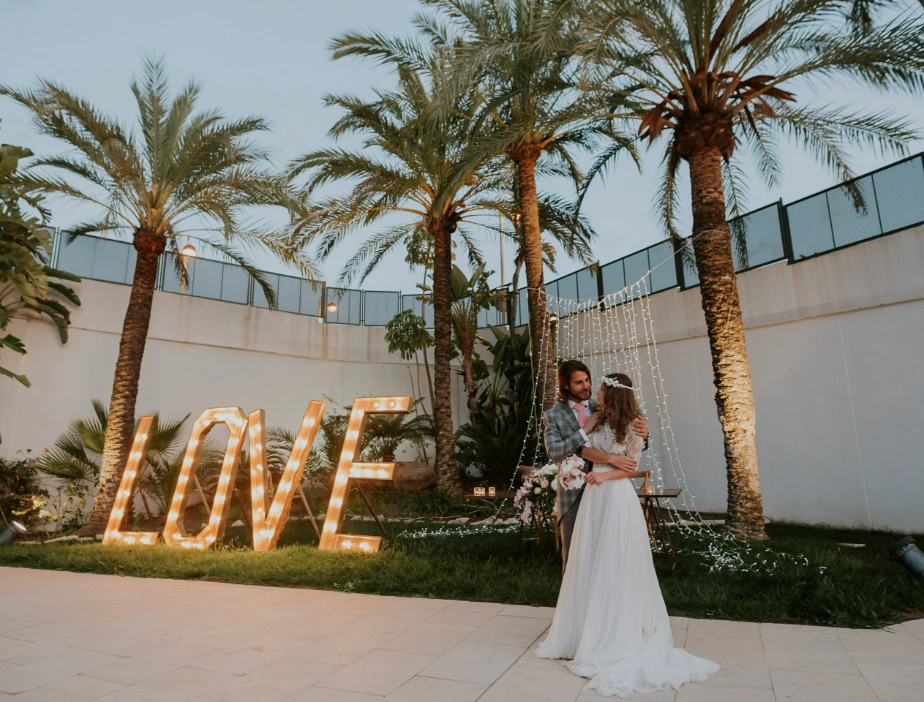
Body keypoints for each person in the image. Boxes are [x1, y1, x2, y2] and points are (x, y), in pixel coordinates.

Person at [536, 372, 719, 698]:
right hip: (588, 495)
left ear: (610, 393)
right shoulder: (581, 415)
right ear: (567, 385)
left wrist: (612, 469)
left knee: (615, 561)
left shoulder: (631, 421)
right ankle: (583, 631)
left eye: (597, 385)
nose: (592, 390)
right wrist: (604, 461)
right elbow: (580, 450)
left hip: (614, 496)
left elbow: (632, 463)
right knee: (587, 560)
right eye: (583, 383)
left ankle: (615, 630)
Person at [543, 360, 647, 570]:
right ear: (566, 386)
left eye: (588, 380)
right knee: (575, 557)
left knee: (609, 554)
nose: (586, 387)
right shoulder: (553, 416)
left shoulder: (604, 404)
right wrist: (585, 430)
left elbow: (626, 443)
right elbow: (554, 453)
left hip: (607, 490)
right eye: (579, 383)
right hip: (572, 493)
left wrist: (646, 434)